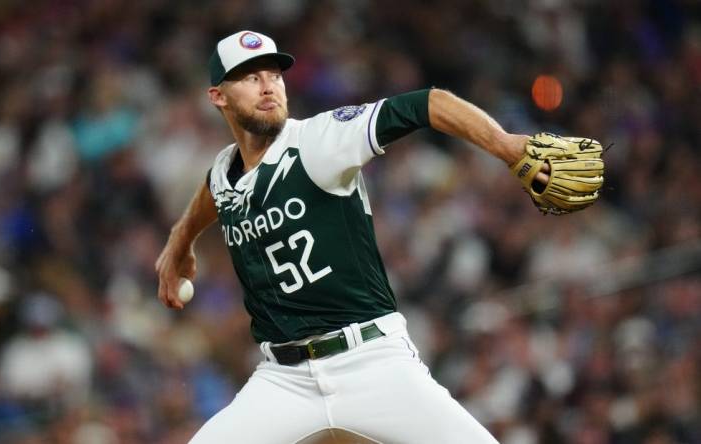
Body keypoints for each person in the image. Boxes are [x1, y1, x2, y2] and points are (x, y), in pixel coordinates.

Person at [156, 30, 552, 443]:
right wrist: (179, 243)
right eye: (250, 77)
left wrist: (506, 145)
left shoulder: (319, 140)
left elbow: (428, 103)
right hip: (284, 379)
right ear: (218, 96)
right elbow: (214, 192)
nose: (268, 85)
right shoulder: (224, 169)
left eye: (273, 73)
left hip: (371, 360)